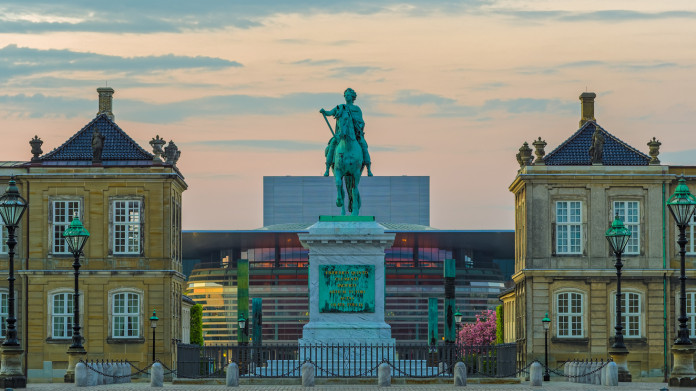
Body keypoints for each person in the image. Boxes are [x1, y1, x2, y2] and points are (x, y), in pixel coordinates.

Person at [320, 88, 373, 176]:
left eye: (348, 95)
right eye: (345, 95)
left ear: (352, 97)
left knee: (363, 145)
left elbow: (361, 122)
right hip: (341, 134)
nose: (346, 96)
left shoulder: (357, 109)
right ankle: (327, 168)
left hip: (355, 134)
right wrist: (324, 112)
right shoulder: (340, 107)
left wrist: (359, 128)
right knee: (332, 144)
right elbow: (330, 113)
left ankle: (368, 168)